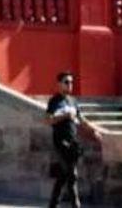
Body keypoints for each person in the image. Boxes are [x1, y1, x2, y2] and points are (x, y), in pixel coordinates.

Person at [44, 71, 101, 208]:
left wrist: (93, 130)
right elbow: (48, 120)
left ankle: (53, 205)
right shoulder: (54, 101)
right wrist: (64, 116)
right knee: (72, 174)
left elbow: (81, 119)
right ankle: (76, 205)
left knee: (63, 176)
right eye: (66, 82)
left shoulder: (73, 101)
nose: (70, 85)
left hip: (72, 142)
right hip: (60, 141)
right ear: (59, 84)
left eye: (71, 82)